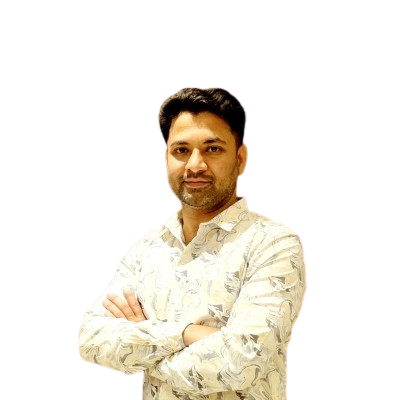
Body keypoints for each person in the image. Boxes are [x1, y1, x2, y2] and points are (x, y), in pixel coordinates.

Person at [78, 87, 307, 399]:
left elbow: (241, 363)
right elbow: (91, 341)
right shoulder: (145, 251)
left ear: (241, 159)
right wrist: (187, 334)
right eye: (181, 150)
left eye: (212, 149)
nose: (195, 165)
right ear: (166, 159)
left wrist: (143, 349)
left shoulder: (273, 244)